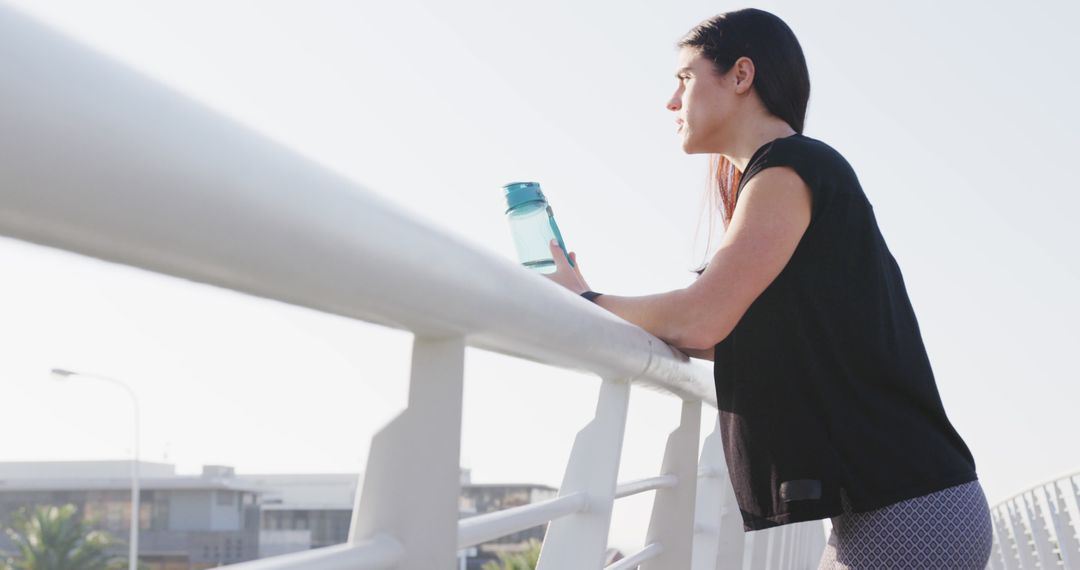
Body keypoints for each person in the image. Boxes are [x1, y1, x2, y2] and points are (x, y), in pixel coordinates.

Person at [543, 8, 993, 569]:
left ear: (740, 75)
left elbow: (700, 320)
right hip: (903, 507)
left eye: (684, 78)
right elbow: (719, 334)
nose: (670, 101)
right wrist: (594, 300)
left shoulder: (788, 169)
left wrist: (584, 303)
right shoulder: (791, 173)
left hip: (907, 513)